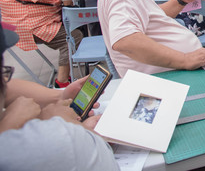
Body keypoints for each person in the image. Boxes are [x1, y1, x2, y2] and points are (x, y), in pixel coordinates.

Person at [0, 22, 119, 171]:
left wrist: (60, 96)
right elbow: (105, 161)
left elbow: (10, 87)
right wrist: (71, 127)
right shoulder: (55, 141)